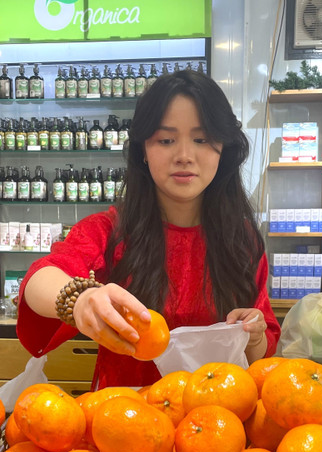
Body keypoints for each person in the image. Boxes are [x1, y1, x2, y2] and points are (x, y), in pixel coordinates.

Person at [17, 69, 280, 389]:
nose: (184, 156)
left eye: (201, 139)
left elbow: (263, 348)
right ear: (143, 149)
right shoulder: (109, 232)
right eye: (166, 140)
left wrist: (253, 336)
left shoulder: (242, 240)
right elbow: (40, 279)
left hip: (215, 413)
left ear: (223, 148)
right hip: (124, 413)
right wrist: (81, 300)